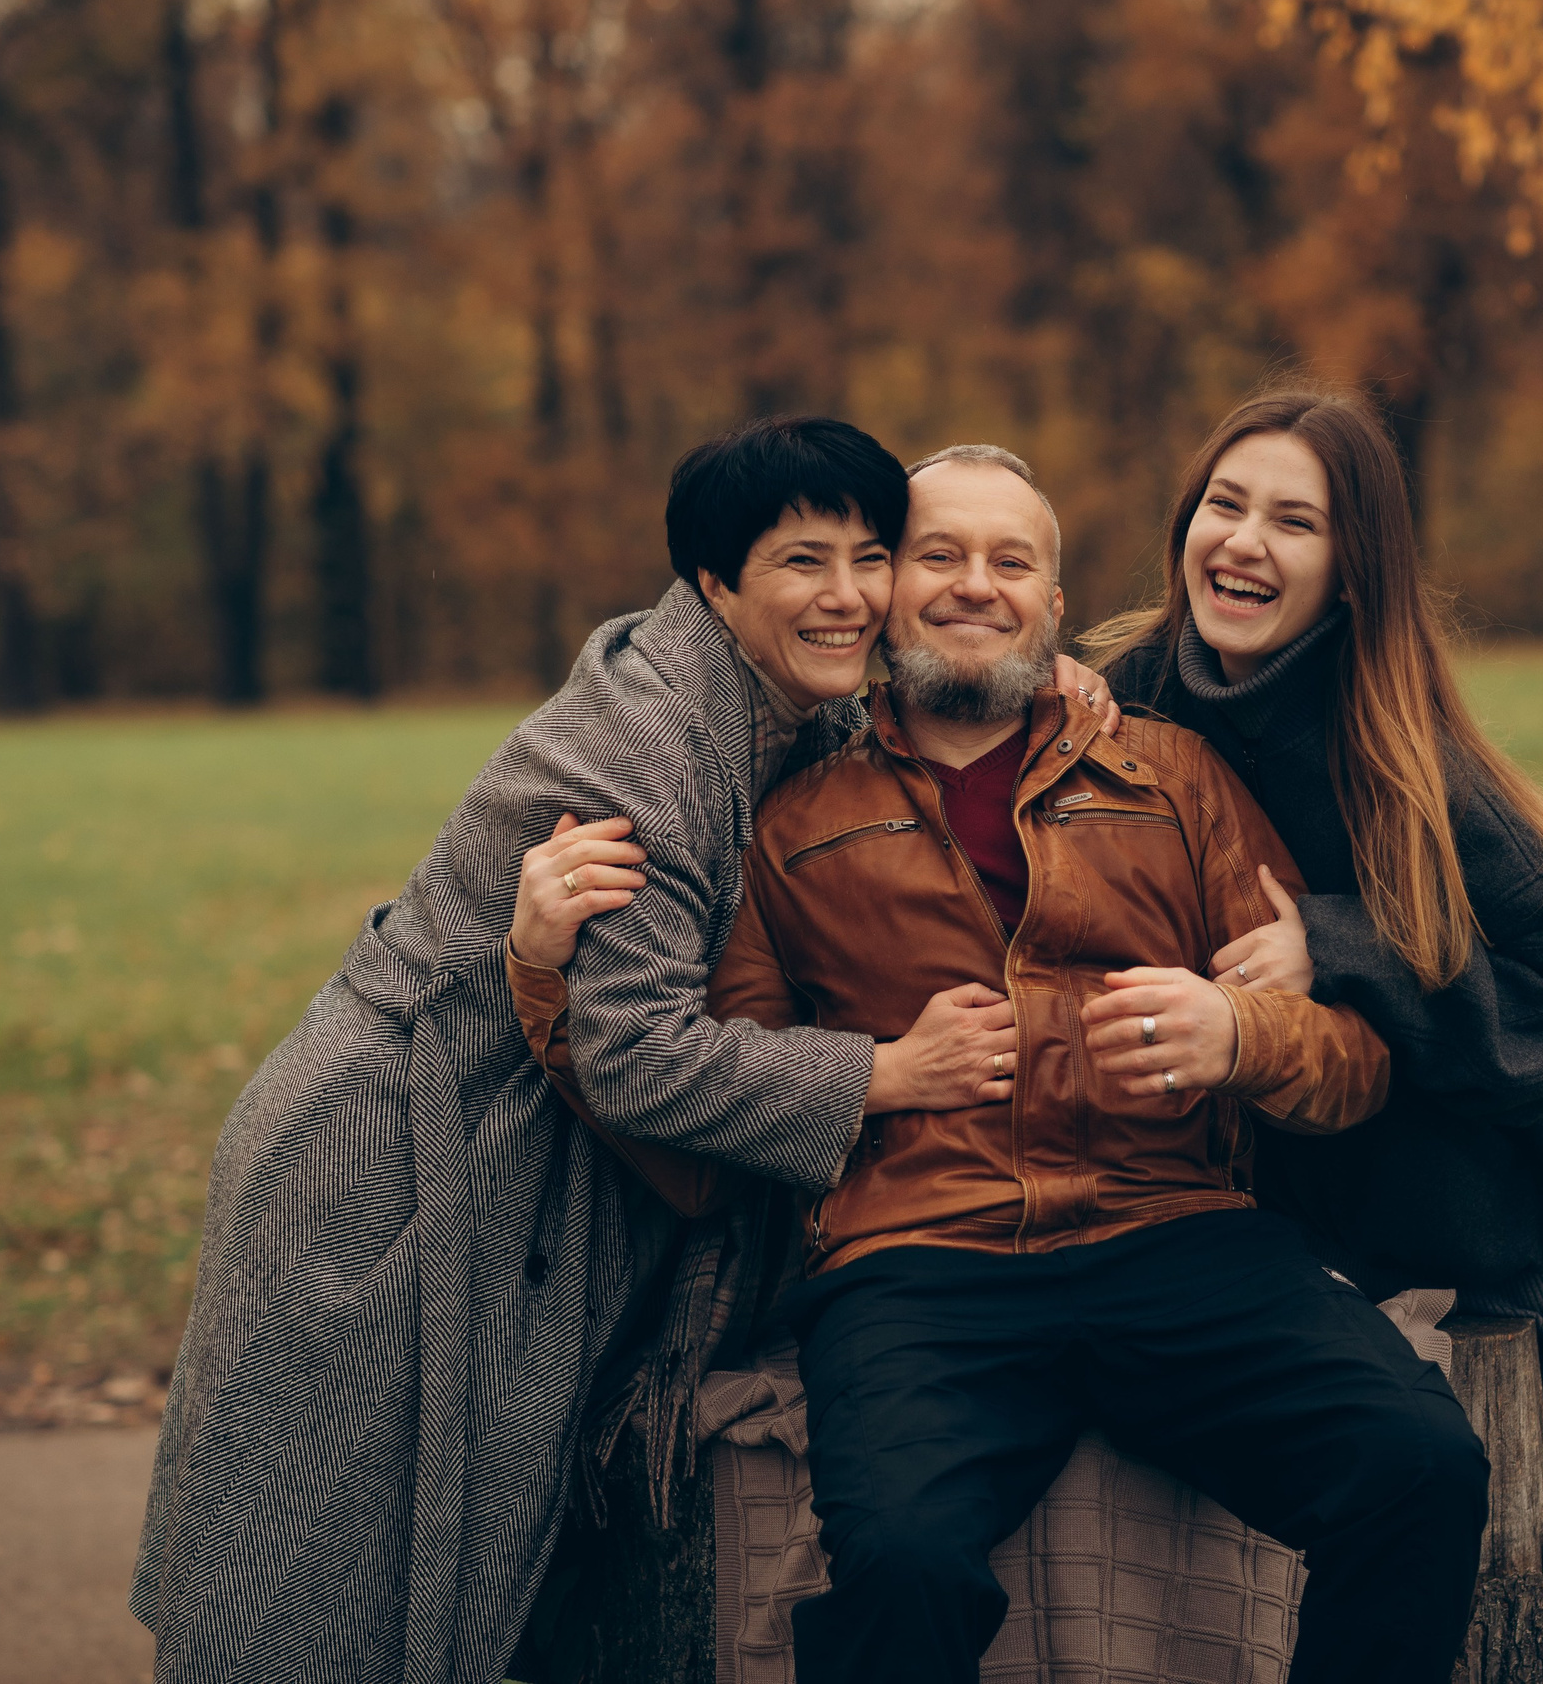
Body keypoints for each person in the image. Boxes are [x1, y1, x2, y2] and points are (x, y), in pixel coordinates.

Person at [132, 416, 1113, 1684]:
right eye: (802, 562)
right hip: (389, 1159)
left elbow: (944, 686)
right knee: (325, 1541)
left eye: (871, 557)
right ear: (716, 584)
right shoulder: (634, 758)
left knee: (433, 1545)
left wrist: (1059, 680)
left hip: (520, 1143)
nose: (851, 596)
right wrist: (883, 1072)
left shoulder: (771, 691)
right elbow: (642, 1054)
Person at [508, 444, 1490, 1684]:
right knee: (905, 1563)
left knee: (1423, 1465)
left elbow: (1351, 1063)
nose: (976, 583)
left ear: (1054, 606)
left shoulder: (1175, 777)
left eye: (1010, 559)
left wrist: (1237, 1036)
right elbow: (704, 1126)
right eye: (940, 554)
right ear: (887, 592)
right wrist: (547, 981)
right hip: (918, 1265)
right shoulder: (791, 821)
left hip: (1176, 1235)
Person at [1082, 388, 1543, 1611]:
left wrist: (1336, 951)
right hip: (1284, 1143)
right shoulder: (1126, 693)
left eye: (1292, 521)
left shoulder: (1396, 740)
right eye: (1224, 504)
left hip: (1489, 1162)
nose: (1242, 540)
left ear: (1351, 572)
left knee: (1517, 1513)